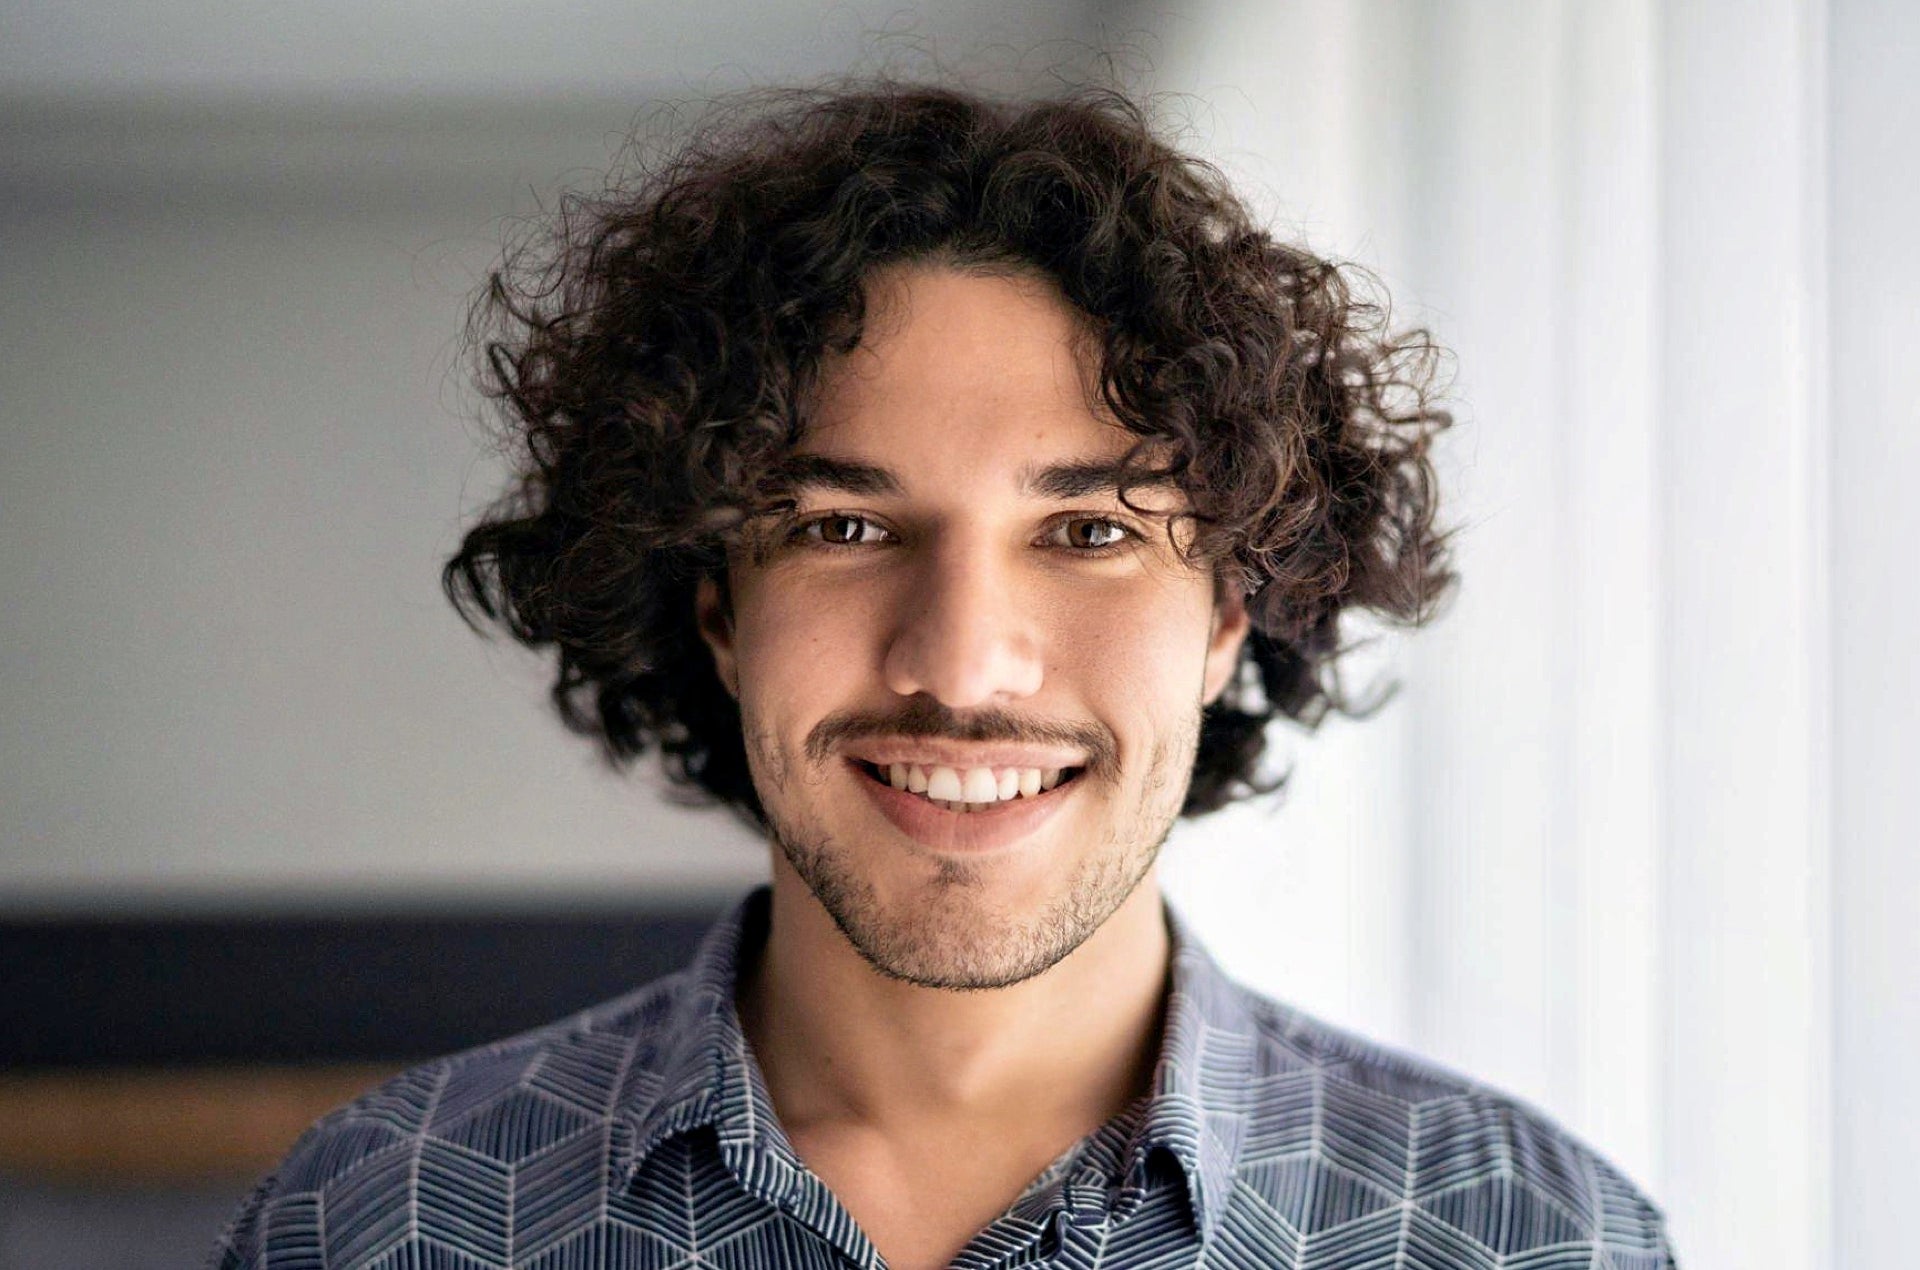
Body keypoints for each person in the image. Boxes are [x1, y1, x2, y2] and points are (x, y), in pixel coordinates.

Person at [210, 81, 1677, 1269]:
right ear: (716, 600)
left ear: (1232, 611)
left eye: (1091, 530)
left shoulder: (1530, 1243)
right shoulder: (377, 1223)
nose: (962, 657)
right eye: (846, 525)